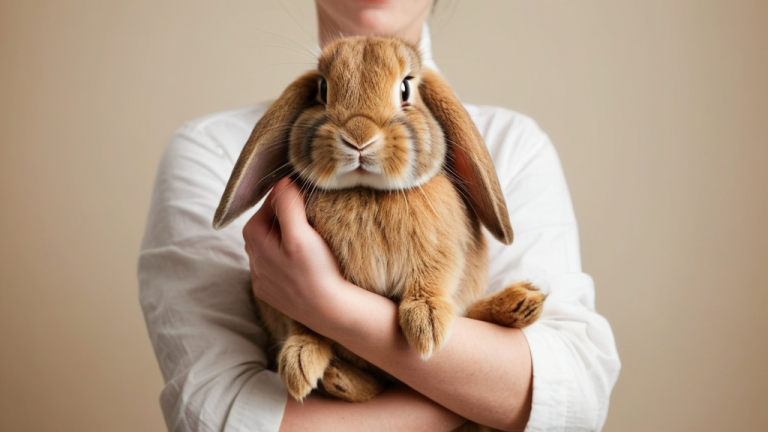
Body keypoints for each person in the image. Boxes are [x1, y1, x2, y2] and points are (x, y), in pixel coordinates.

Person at [138, 1, 621, 431]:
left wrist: (330, 307)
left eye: (405, 92)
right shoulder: (207, 149)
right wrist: (483, 399)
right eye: (327, 93)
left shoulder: (514, 142)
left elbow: (574, 400)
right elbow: (214, 414)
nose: (362, 135)